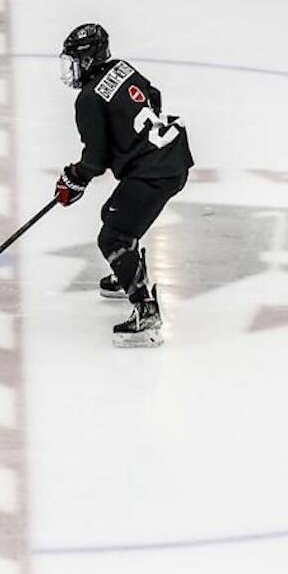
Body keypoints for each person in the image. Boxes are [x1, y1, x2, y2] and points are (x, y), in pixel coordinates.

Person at [53, 22, 194, 347]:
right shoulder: (122, 68)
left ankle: (146, 313)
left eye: (75, 60)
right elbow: (153, 97)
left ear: (87, 60)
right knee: (116, 215)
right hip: (173, 157)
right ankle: (127, 273)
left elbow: (96, 158)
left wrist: (73, 178)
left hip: (153, 173)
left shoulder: (88, 99)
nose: (72, 67)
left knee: (113, 235)